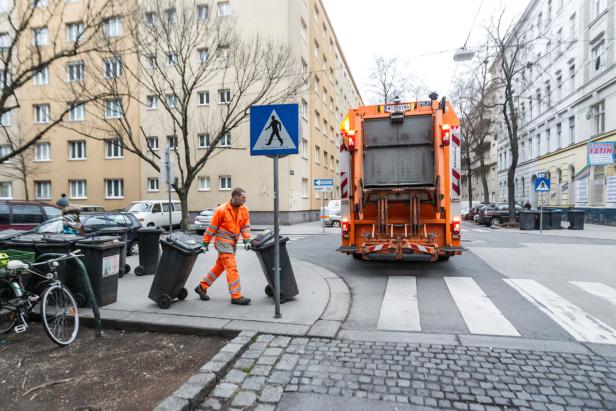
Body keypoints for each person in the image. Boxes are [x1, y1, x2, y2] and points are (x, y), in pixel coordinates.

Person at [195, 188, 252, 305]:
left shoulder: (244, 209)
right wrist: (205, 243)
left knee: (220, 266)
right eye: (243, 198)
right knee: (231, 267)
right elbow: (212, 228)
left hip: (233, 242)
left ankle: (202, 286)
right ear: (235, 197)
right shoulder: (221, 210)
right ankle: (236, 296)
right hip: (222, 241)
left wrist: (247, 240)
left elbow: (245, 226)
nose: (245, 200)